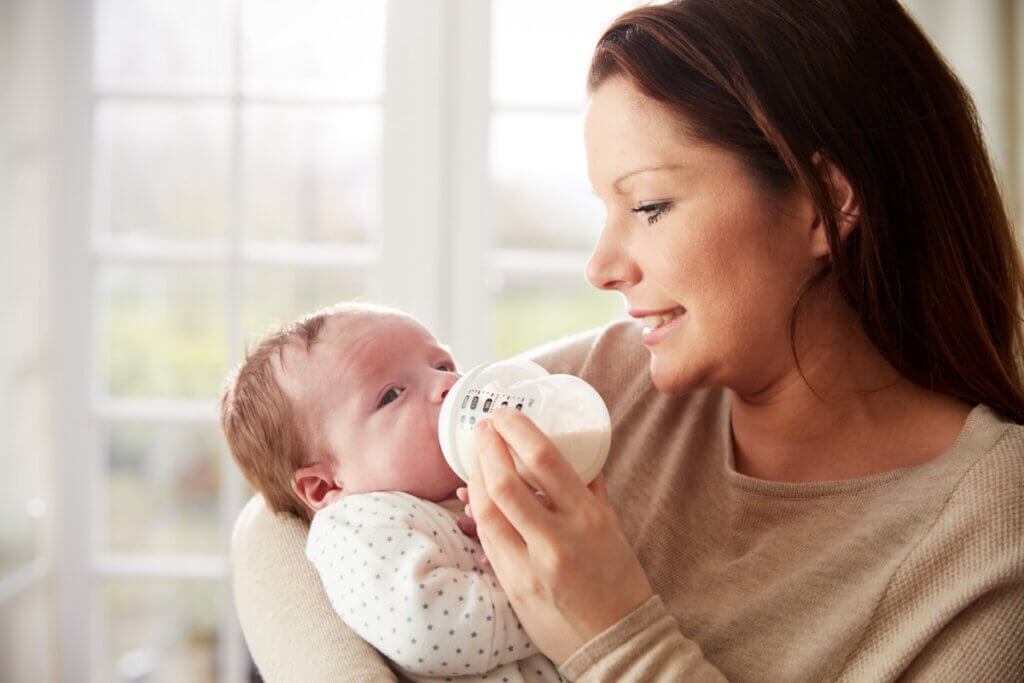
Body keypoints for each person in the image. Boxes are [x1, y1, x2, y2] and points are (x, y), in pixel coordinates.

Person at [231, 1, 1024, 680]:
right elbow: (279, 527)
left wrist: (612, 629)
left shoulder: (991, 533)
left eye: (647, 206)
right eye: (603, 211)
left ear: (826, 203)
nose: (601, 266)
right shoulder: (601, 388)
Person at [221, 302, 562, 682]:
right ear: (326, 485)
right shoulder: (356, 525)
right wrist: (552, 605)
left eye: (443, 365)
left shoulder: (487, 486)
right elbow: (427, 627)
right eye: (392, 395)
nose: (447, 384)